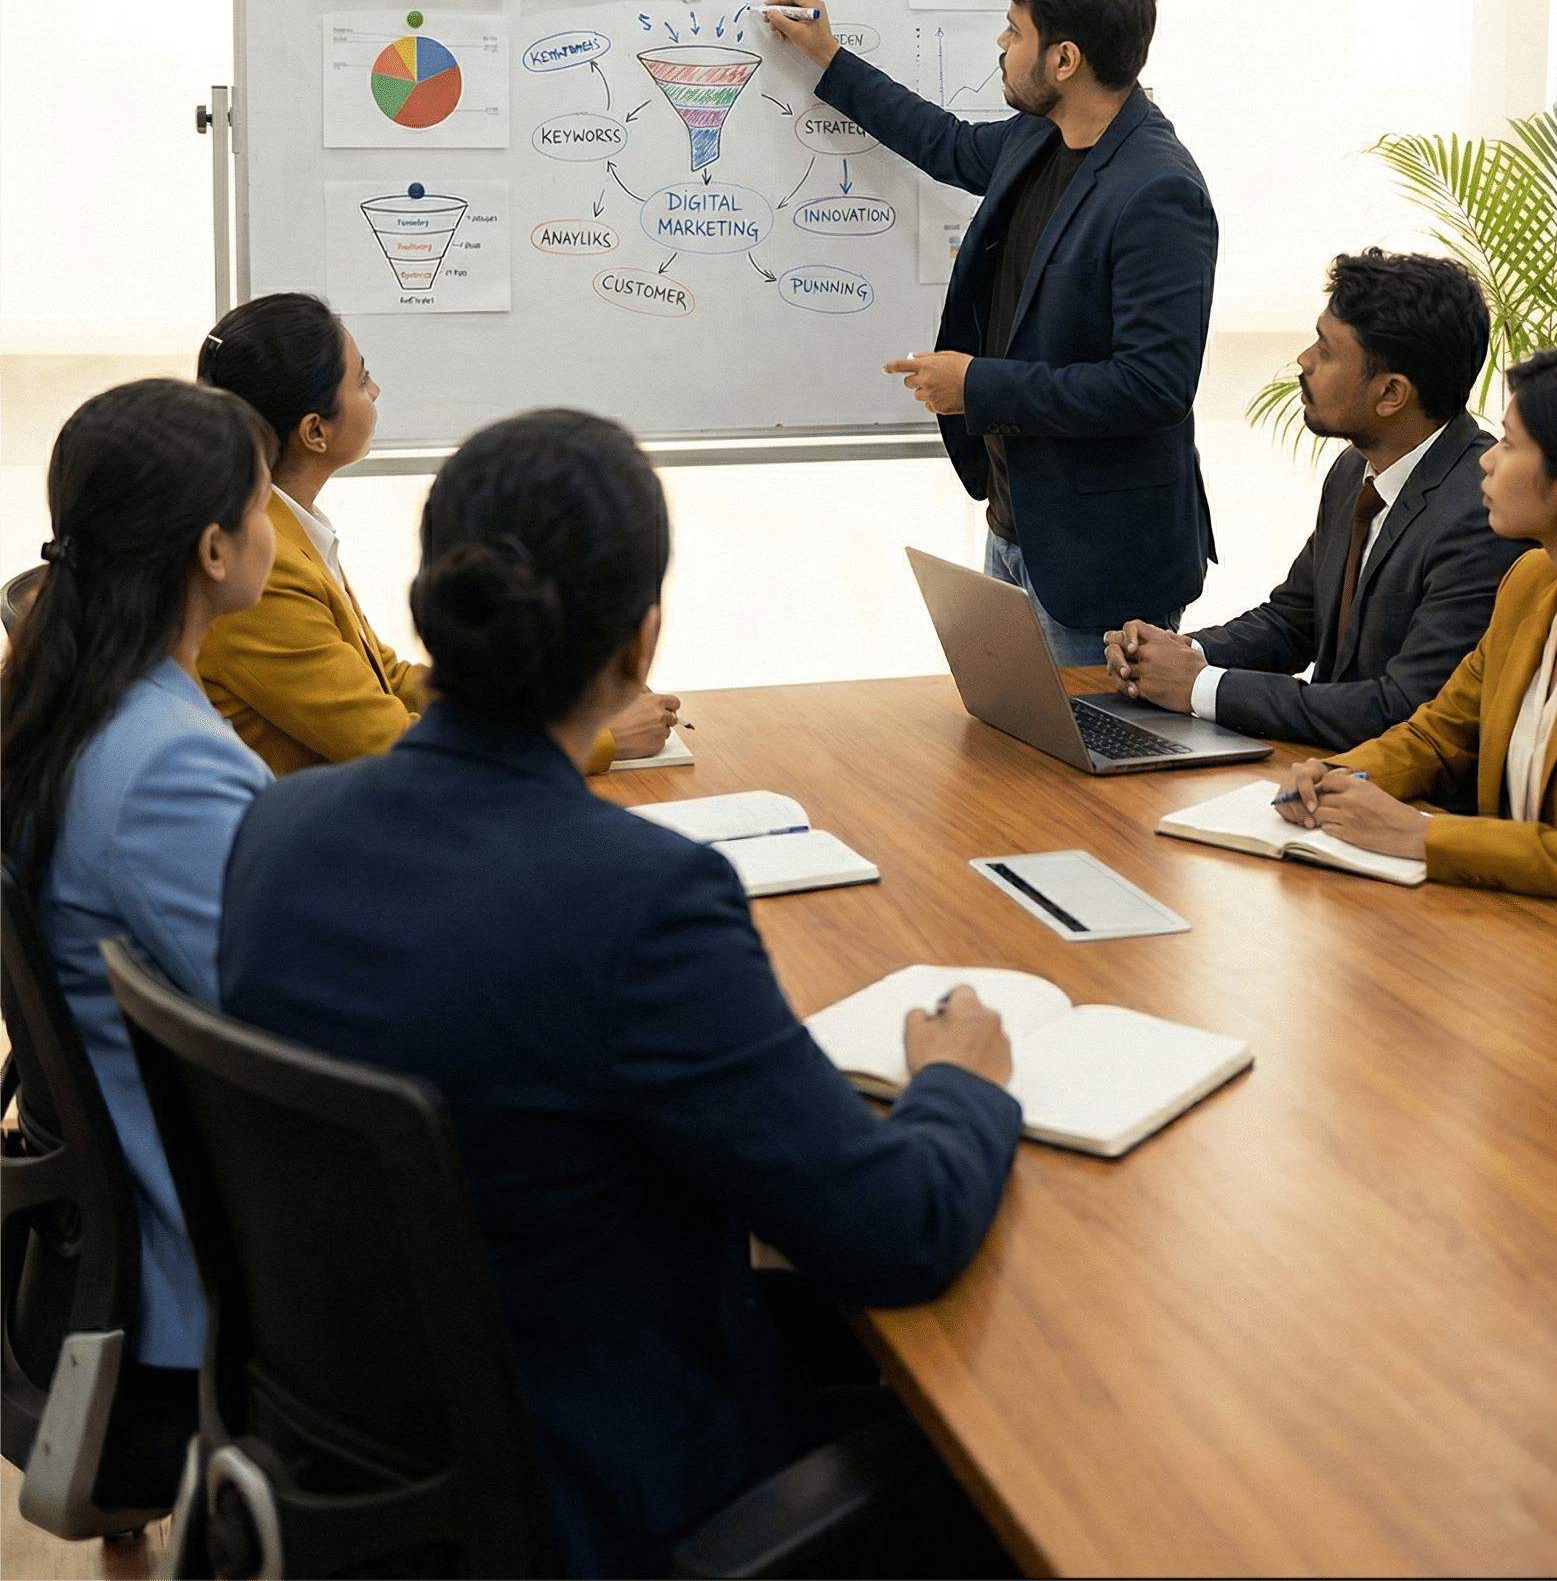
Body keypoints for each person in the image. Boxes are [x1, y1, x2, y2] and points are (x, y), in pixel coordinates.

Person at [220, 410, 1023, 1579]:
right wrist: (957, 1082)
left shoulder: (274, 829)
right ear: (641, 641)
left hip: (353, 1471)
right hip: (600, 1499)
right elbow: (896, 1233)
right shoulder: (642, 901)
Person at [765, 0, 1217, 659]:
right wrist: (828, 57)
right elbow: (941, 141)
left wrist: (978, 384)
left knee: (1081, 769)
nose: (1001, 45)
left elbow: (1153, 387)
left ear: (1064, 59)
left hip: (1099, 563)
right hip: (1018, 531)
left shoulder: (1158, 190)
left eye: (1015, 32)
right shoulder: (1038, 139)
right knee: (1010, 753)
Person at [0, 379, 276, 1499]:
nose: (273, 536)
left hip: (114, 1241)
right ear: (214, 548)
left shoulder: (65, 694)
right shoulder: (165, 761)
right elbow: (292, 1022)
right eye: (261, 509)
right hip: (204, 1293)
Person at [1275, 345, 1557, 923]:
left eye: (1510, 443)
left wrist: (1423, 835)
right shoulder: (1531, 580)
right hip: (1527, 929)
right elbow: (1437, 736)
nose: (1486, 461)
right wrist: (1343, 774)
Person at [196, 292, 678, 771]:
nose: (376, 390)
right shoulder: (260, 564)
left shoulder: (286, 525)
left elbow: (384, 678)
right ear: (315, 432)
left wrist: (559, 707)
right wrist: (589, 736)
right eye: (362, 380)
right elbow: (388, 743)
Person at [1108, 250, 1533, 750]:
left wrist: (1200, 686)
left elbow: (1404, 709)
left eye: (1326, 351)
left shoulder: (1481, 513)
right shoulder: (1356, 468)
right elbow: (1294, 621)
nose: (1304, 361)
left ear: (1392, 394)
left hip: (1401, 803)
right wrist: (1176, 651)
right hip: (1319, 771)